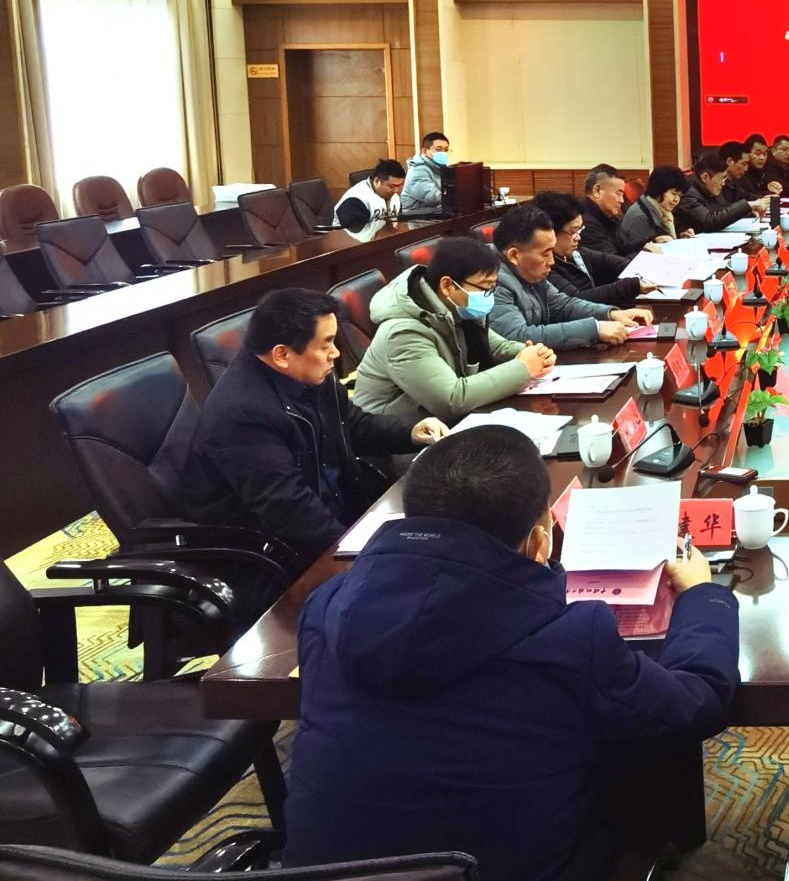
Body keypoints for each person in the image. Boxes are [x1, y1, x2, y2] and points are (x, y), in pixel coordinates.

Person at [282, 424, 739, 881]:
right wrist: (703, 595)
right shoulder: (570, 639)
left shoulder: (325, 608)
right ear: (539, 544)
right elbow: (697, 700)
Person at [154, 288, 447, 563]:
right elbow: (287, 509)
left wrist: (410, 432)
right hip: (268, 548)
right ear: (282, 354)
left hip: (338, 513)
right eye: (326, 344)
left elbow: (352, 425)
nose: (336, 353)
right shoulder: (241, 413)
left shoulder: (311, 373)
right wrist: (356, 552)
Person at [353, 236, 555, 423]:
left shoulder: (458, 309)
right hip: (400, 437)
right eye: (484, 288)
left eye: (492, 287)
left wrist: (532, 354)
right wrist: (522, 368)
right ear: (447, 285)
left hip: (441, 423)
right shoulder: (402, 332)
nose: (489, 295)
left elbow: (497, 348)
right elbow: (451, 399)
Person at [490, 206, 648, 350]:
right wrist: (594, 329)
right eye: (545, 253)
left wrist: (610, 314)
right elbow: (519, 337)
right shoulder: (490, 282)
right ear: (514, 255)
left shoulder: (529, 272)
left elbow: (562, 305)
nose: (552, 261)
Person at [536, 191, 648, 306]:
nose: (578, 237)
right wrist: (630, 286)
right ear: (550, 232)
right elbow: (576, 300)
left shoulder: (575, 252)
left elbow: (607, 260)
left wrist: (642, 272)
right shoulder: (544, 266)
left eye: (579, 230)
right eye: (572, 232)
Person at [681, 153, 770, 232]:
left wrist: (748, 210)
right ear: (705, 177)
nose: (723, 183)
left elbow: (724, 208)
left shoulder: (710, 188)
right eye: (721, 179)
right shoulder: (688, 194)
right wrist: (748, 205)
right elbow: (710, 222)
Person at [621, 165, 689, 249]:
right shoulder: (640, 217)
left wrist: (679, 238)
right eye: (674, 194)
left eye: (680, 195)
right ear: (658, 190)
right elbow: (642, 252)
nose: (677, 200)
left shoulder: (659, 208)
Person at [579, 165, 633, 256]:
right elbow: (612, 260)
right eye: (618, 194)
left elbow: (624, 246)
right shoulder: (584, 222)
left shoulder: (609, 217)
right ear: (597, 191)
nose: (622, 200)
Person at [334, 159, 405, 227]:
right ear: (377, 181)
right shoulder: (355, 200)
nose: (396, 191)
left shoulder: (393, 196)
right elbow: (357, 233)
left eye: (399, 185)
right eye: (391, 186)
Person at [399, 132, 453, 215]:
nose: (443, 153)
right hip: (415, 217)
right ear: (424, 151)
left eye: (446, 150)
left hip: (433, 212)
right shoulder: (417, 170)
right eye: (438, 149)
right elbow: (432, 197)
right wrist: (456, 197)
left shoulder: (438, 167)